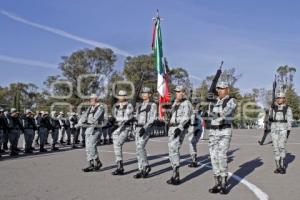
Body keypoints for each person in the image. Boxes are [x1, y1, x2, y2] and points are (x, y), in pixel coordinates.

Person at [208, 81, 236, 195]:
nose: (219, 90)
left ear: (227, 90)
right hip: (213, 131)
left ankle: (224, 183)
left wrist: (213, 114)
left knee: (221, 156)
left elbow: (225, 113)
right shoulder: (214, 101)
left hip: (224, 131)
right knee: (213, 157)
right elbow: (208, 114)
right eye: (218, 88)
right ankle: (217, 182)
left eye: (222, 88)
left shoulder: (231, 101)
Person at [166, 85, 192, 185]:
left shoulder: (187, 103)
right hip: (172, 128)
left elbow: (186, 118)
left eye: (179, 92)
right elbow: (171, 114)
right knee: (171, 150)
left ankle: (176, 175)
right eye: (176, 92)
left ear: (184, 93)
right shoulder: (176, 102)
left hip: (178, 128)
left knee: (174, 148)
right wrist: (174, 105)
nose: (177, 93)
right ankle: (174, 173)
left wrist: (179, 128)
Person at [76, 94, 105, 172]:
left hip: (95, 129)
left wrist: (84, 123)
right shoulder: (89, 108)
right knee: (88, 148)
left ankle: (98, 162)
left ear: (96, 99)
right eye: (90, 99)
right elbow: (84, 117)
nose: (91, 100)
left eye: (92, 99)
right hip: (88, 129)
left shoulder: (100, 107)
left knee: (92, 146)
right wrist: (79, 124)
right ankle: (91, 164)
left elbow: (95, 118)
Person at [133, 87, 157, 179]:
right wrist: (134, 124)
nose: (143, 94)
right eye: (142, 93)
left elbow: (152, 119)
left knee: (140, 147)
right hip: (137, 129)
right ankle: (141, 169)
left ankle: (146, 166)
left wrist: (144, 127)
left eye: (145, 93)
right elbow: (137, 117)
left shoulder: (152, 105)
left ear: (150, 94)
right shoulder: (140, 105)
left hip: (145, 129)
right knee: (138, 150)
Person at [269, 92, 293, 174]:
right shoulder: (272, 107)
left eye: (280, 98)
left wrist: (288, 131)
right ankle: (278, 167)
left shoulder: (287, 108)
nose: (279, 99)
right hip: (274, 130)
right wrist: (271, 110)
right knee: (275, 148)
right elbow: (269, 118)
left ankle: (282, 166)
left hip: (283, 129)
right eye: (277, 98)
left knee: (281, 147)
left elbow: (289, 120)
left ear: (284, 99)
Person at [111, 90, 134, 175]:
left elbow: (126, 118)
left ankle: (120, 166)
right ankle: (119, 166)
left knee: (117, 144)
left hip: (126, 128)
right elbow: (115, 117)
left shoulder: (129, 106)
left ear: (125, 97)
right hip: (117, 129)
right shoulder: (116, 106)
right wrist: (112, 121)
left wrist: (118, 123)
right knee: (116, 146)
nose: (120, 97)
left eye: (122, 95)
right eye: (119, 95)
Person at [187, 98, 203, 168]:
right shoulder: (201, 111)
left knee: (192, 144)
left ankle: (194, 161)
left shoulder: (195, 110)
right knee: (193, 144)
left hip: (193, 128)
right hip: (199, 128)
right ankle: (194, 160)